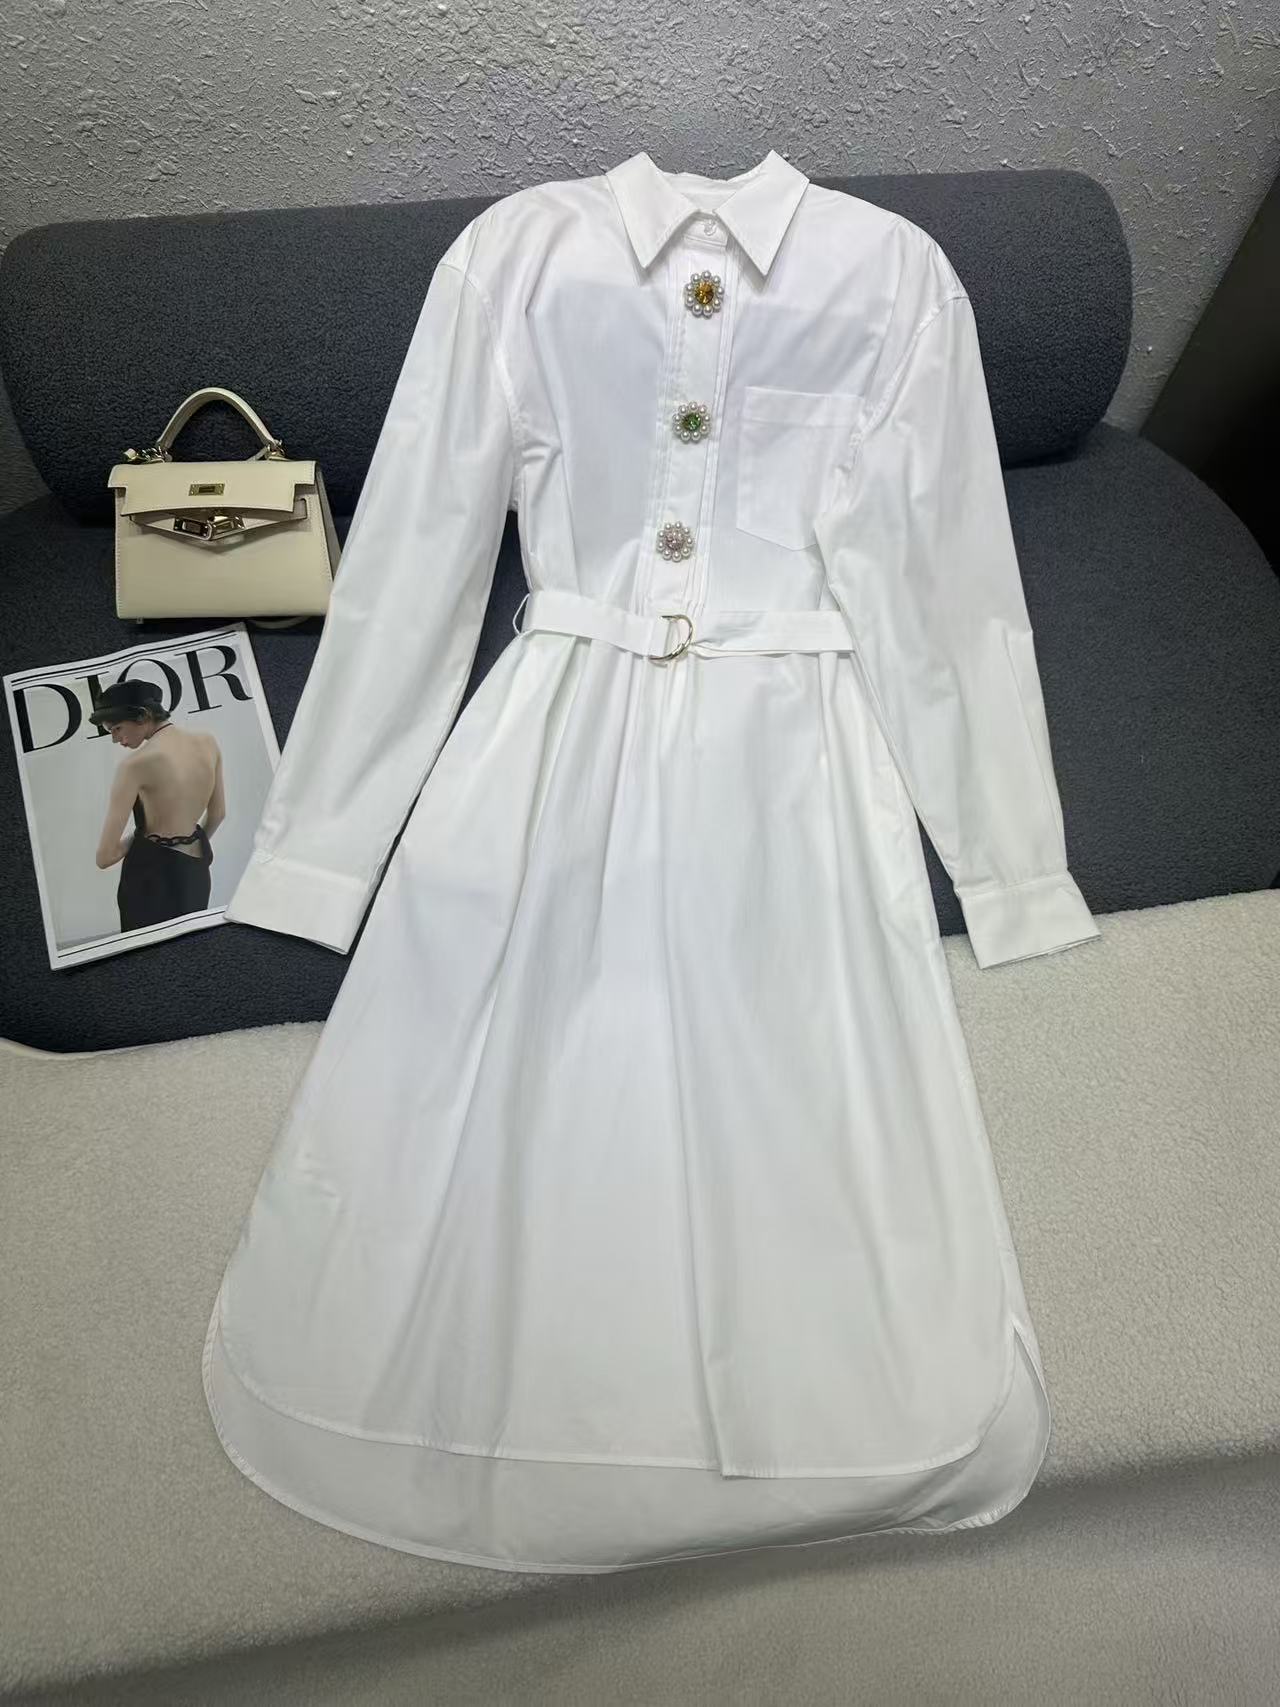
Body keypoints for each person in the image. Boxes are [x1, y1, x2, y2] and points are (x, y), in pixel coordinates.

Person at [90, 679, 224, 932]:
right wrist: (188, 851)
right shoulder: (208, 742)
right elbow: (218, 814)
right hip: (196, 874)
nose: (115, 739)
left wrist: (142, 834)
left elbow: (105, 857)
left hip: (149, 878)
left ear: (142, 716)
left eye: (117, 728)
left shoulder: (134, 765)